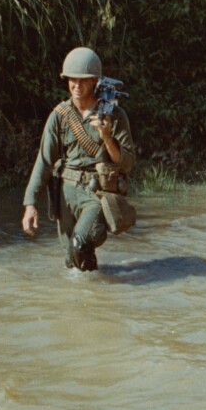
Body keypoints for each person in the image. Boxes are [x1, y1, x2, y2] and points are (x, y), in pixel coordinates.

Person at [22, 47, 135, 270]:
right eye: (72, 79)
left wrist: (106, 136)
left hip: (96, 193)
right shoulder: (60, 116)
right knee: (71, 262)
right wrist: (30, 203)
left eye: (82, 80)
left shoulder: (114, 115)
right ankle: (91, 295)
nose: (76, 85)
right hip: (65, 194)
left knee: (80, 242)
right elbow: (44, 161)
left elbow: (127, 163)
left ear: (95, 80)